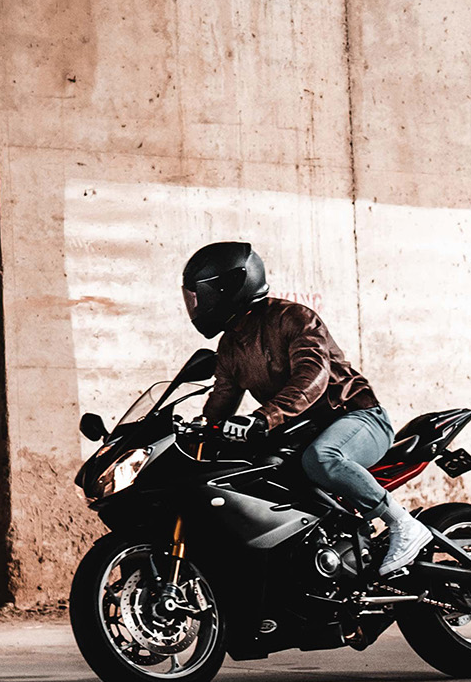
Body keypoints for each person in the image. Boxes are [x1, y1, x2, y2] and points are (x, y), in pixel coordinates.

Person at [182, 241, 432, 577]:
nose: (196, 305)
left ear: (229, 287)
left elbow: (312, 376)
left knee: (323, 458)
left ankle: (403, 524)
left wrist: (264, 417)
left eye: (200, 295)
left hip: (355, 416)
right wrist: (197, 428)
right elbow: (222, 398)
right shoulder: (230, 346)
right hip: (300, 431)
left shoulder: (292, 317)